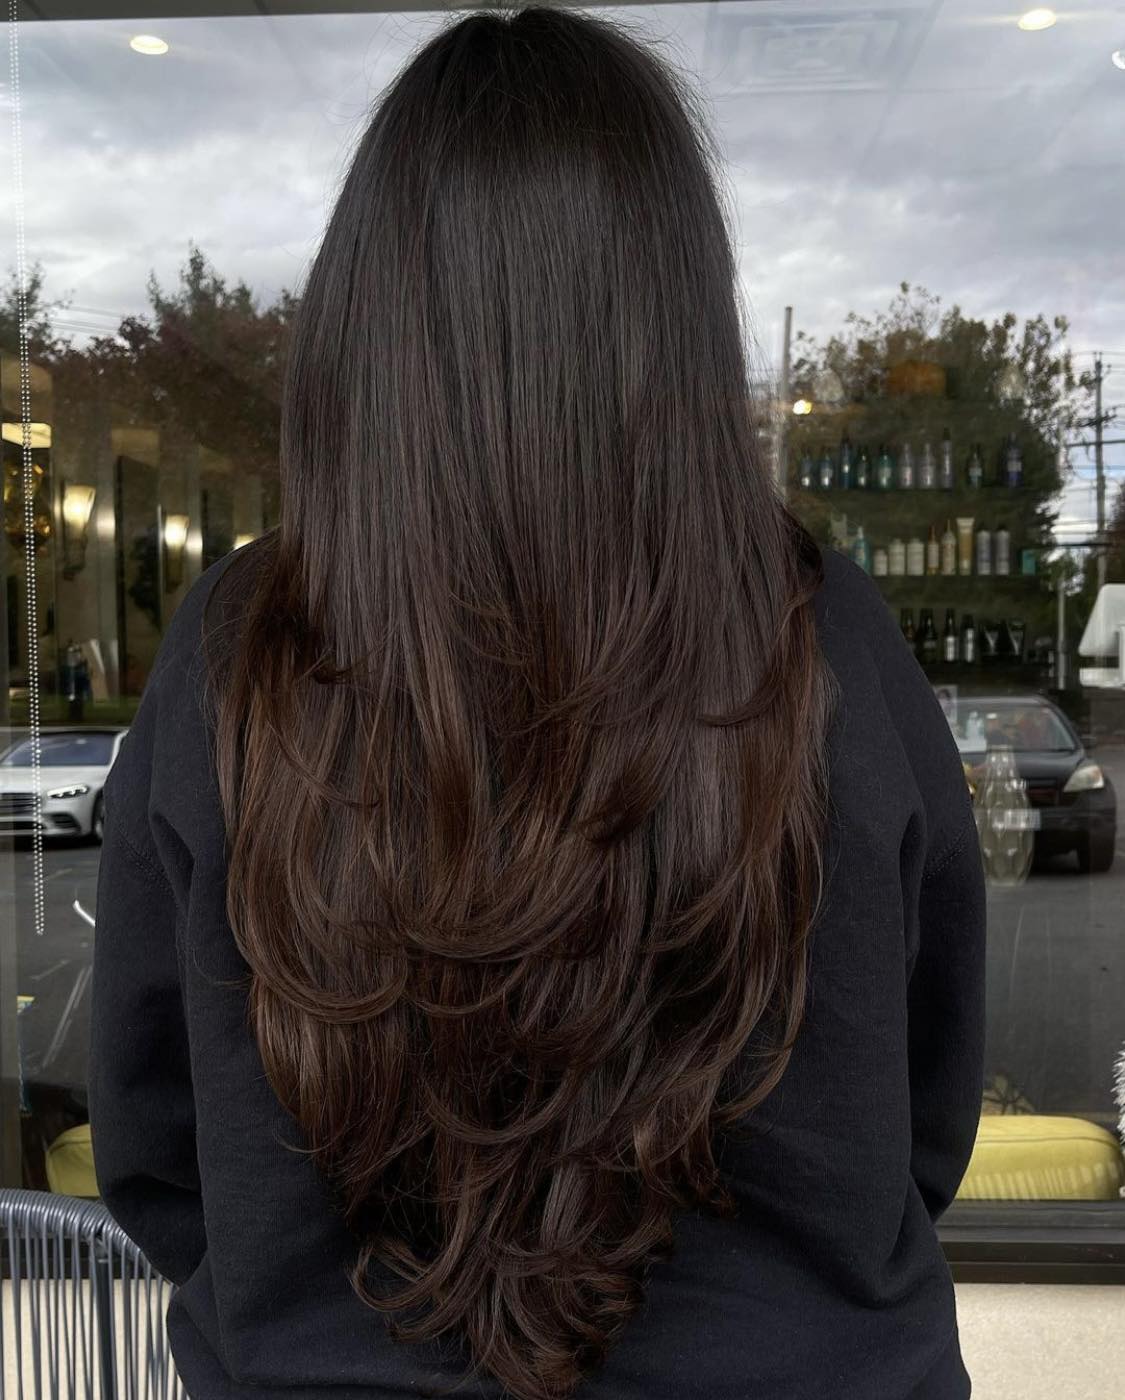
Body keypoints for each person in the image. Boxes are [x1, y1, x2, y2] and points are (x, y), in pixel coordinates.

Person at [87, 8, 986, 1400]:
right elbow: (917, 1123)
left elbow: (152, 1139)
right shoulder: (822, 635)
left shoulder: (235, 653)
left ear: (366, 323)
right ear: (677, 318)